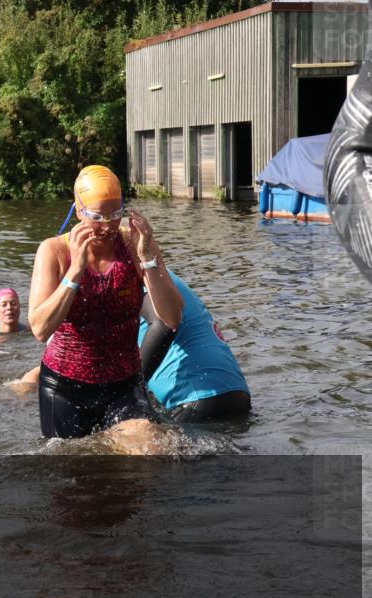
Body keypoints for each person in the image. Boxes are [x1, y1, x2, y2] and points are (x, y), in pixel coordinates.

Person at [27, 165, 182, 440]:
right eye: (97, 216)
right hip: (65, 388)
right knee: (77, 475)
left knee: (149, 451)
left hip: (124, 386)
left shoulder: (134, 243)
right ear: (78, 210)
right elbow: (39, 329)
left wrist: (147, 258)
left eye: (115, 213)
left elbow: (171, 318)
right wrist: (75, 271)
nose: (108, 225)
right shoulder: (54, 251)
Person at [138, 271, 251, 422]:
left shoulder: (137, 278)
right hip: (236, 393)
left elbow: (164, 324)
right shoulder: (159, 273)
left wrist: (131, 386)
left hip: (196, 397)